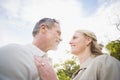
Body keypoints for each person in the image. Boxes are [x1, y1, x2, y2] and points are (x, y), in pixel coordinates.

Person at [35, 29, 120, 80]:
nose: (70, 42)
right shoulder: (76, 75)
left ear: (88, 40)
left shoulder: (104, 61)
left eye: (75, 38)